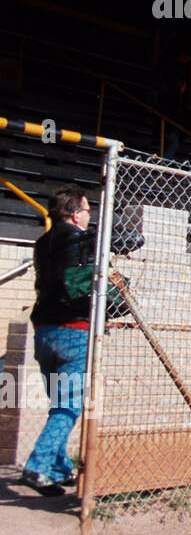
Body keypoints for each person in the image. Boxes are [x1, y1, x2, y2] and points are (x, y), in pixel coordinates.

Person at [23, 184, 95, 495]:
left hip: (44, 331)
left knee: (59, 405)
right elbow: (83, 284)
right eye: (88, 210)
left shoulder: (42, 242)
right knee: (69, 406)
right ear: (76, 214)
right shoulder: (81, 238)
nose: (90, 216)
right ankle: (37, 466)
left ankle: (59, 467)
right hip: (73, 330)